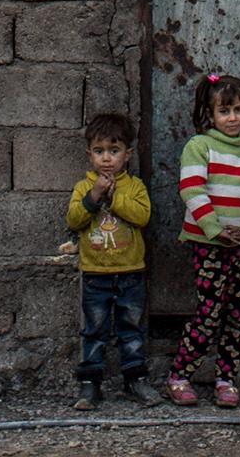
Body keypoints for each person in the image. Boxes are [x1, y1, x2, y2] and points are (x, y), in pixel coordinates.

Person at [166, 72, 240, 409]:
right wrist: (214, 229)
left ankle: (226, 378)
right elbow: (192, 189)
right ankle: (181, 374)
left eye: (239, 110)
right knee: (209, 312)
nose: (232, 118)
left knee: (238, 314)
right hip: (209, 246)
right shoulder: (199, 147)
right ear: (210, 115)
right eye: (224, 112)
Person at [64, 111, 157, 409]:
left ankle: (135, 380)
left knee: (131, 329)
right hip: (95, 274)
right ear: (89, 154)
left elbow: (142, 216)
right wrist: (93, 197)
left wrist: (114, 197)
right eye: (100, 151)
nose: (107, 159)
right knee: (94, 330)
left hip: (130, 273)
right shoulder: (83, 188)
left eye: (114, 151)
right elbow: (74, 220)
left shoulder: (134, 187)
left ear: (127, 154)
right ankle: (90, 385)